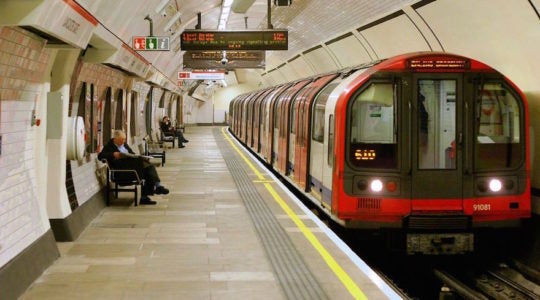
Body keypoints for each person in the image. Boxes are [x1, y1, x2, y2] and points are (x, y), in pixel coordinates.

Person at [98, 130, 169, 205]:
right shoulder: (109, 146)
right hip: (123, 171)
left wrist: (134, 156)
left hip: (133, 168)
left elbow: (132, 153)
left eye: (124, 139)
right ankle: (155, 188)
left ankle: (149, 194)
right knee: (148, 167)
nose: (123, 141)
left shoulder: (124, 144)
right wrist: (113, 154)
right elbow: (100, 156)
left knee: (147, 169)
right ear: (115, 139)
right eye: (121, 140)